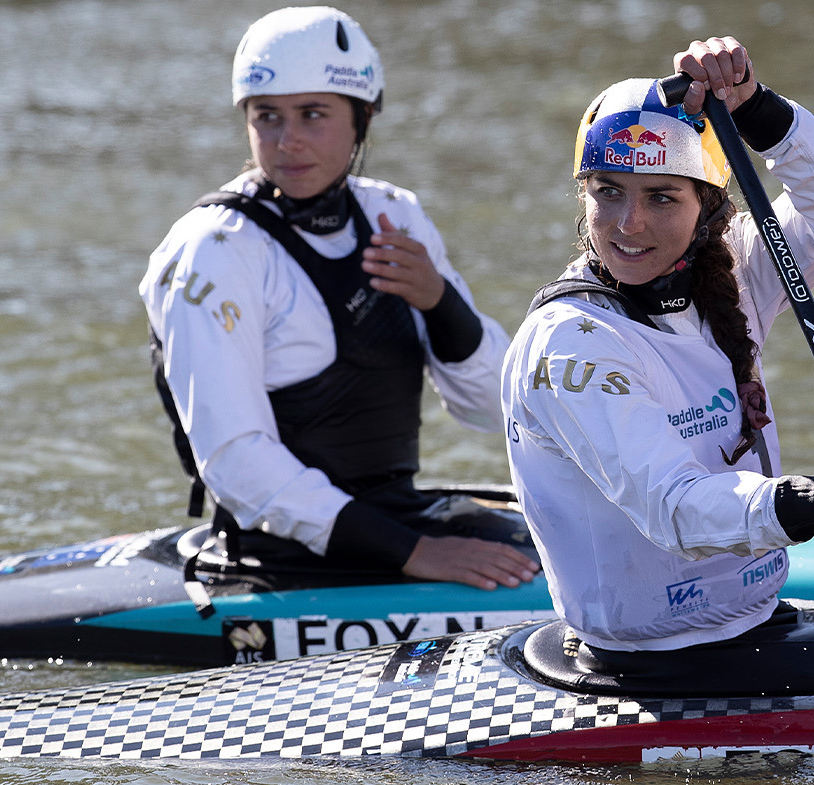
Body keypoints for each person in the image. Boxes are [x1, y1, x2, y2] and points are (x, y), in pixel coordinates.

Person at [502, 36, 814, 676]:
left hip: (756, 621)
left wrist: (753, 107)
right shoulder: (569, 343)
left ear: (709, 208)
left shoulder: (736, 271)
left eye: (662, 196)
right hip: (645, 664)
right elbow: (674, 509)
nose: (627, 224)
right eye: (607, 191)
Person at [140, 6, 538, 593]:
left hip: (393, 520)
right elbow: (235, 464)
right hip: (283, 553)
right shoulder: (214, 251)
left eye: (313, 115)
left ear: (362, 118)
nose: (288, 140)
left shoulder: (392, 215)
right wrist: (416, 553)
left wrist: (441, 302)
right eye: (267, 116)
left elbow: (495, 411)